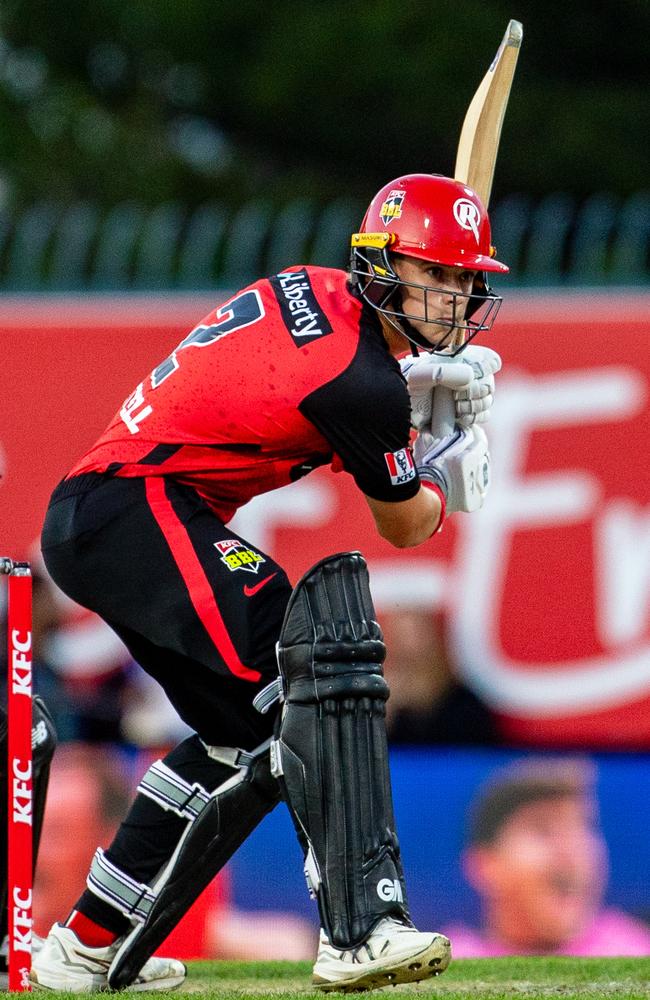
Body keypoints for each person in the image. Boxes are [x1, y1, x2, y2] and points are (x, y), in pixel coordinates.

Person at [33, 173, 507, 993]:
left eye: (468, 282)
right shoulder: (359, 386)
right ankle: (360, 929)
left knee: (238, 740)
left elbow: (293, 381)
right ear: (385, 266)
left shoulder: (317, 291)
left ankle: (86, 944)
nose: (457, 300)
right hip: (132, 510)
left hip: (115, 513)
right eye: (438, 276)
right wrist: (447, 469)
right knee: (312, 685)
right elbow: (403, 524)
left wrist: (406, 400)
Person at [444, 759, 650, 956]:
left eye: (584, 825)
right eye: (542, 829)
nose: (571, 848)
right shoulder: (447, 963)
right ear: (484, 865)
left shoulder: (634, 948)